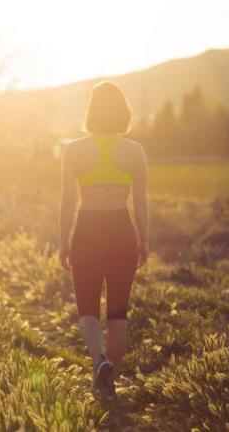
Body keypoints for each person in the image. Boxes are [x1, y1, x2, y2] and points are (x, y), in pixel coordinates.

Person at [58, 80, 149, 399]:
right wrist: (144, 239)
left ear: (91, 112)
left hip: (88, 230)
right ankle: (110, 382)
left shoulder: (74, 150)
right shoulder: (134, 151)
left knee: (87, 308)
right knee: (118, 311)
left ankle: (99, 360)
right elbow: (141, 202)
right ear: (123, 112)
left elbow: (68, 201)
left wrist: (63, 241)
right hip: (122, 230)